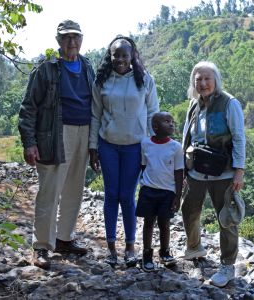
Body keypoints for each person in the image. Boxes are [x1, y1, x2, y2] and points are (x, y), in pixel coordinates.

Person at [18, 20, 95, 269]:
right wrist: (29, 143)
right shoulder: (46, 68)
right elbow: (29, 107)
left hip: (84, 132)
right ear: (58, 40)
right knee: (50, 191)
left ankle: (64, 239)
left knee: (74, 189)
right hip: (54, 134)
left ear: (82, 39)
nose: (71, 42)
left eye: (76, 37)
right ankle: (41, 246)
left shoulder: (87, 66)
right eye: (66, 37)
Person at [89, 35, 159, 267]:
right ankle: (111, 249)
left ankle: (130, 246)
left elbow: (152, 115)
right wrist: (93, 148)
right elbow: (95, 116)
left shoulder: (145, 80)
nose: (120, 58)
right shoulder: (102, 81)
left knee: (127, 197)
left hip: (135, 147)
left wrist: (150, 148)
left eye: (124, 54)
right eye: (116, 54)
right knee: (111, 195)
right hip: (108, 145)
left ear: (132, 56)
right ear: (110, 56)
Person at [181, 61, 246, 287]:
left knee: (226, 218)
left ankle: (227, 266)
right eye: (198, 79)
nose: (203, 83)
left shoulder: (229, 103)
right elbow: (185, 137)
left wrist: (239, 170)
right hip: (197, 169)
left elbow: (238, 137)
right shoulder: (194, 104)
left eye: (207, 78)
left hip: (224, 171)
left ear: (215, 80)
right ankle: (194, 247)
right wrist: (182, 167)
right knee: (188, 209)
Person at [135, 112, 184, 272]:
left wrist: (178, 195)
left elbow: (179, 172)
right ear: (155, 126)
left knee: (165, 223)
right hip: (148, 190)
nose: (171, 124)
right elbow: (143, 165)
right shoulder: (145, 144)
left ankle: (164, 252)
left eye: (172, 121)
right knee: (148, 223)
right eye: (166, 121)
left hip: (167, 193)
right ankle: (147, 255)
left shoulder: (176, 147)